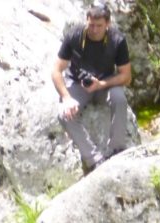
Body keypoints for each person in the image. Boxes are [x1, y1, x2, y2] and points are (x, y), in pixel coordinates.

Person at [51, 2, 131, 174]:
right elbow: (56, 70)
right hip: (78, 84)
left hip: (105, 84)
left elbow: (126, 76)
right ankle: (94, 159)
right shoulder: (74, 36)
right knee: (65, 114)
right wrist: (66, 98)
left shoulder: (117, 40)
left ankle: (117, 149)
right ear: (86, 21)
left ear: (108, 24)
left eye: (99, 26)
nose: (94, 30)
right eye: (91, 25)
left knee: (119, 99)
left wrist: (102, 84)